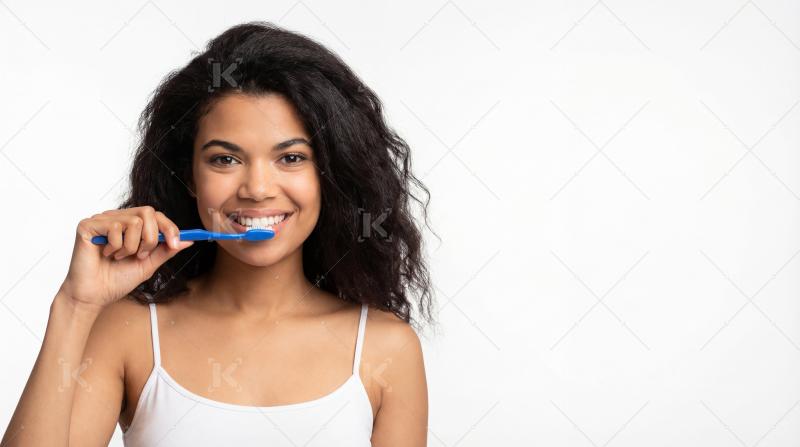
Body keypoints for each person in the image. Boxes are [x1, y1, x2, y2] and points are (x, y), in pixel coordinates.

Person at [2, 21, 434, 446]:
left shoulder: (387, 349)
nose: (258, 189)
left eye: (291, 158)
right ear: (189, 176)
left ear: (329, 175)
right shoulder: (128, 332)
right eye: (225, 160)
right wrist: (77, 305)